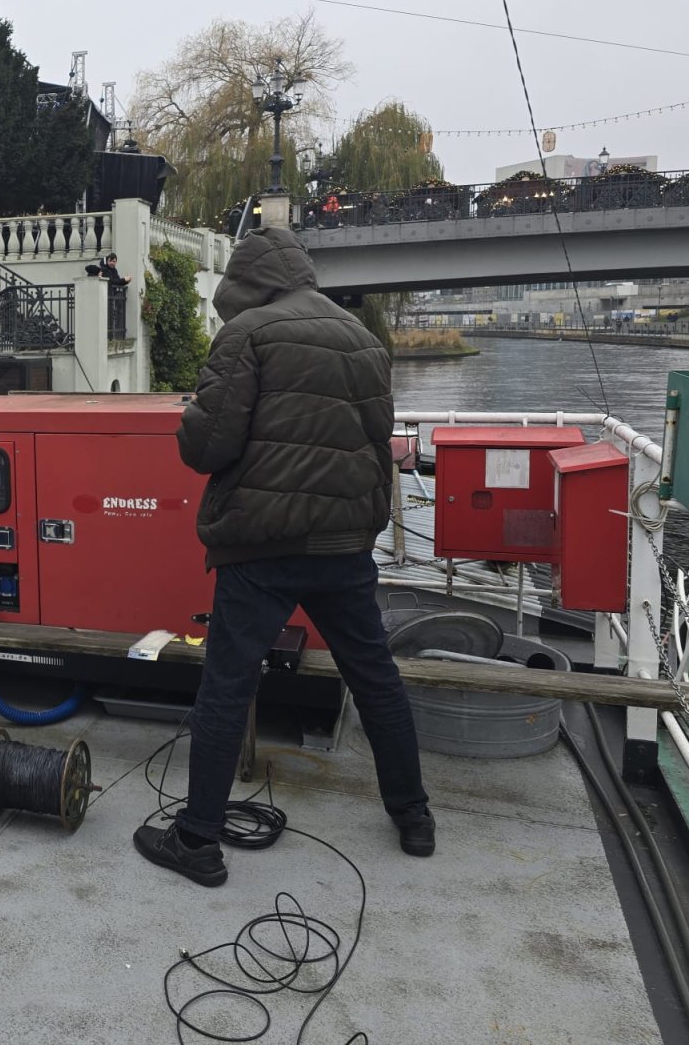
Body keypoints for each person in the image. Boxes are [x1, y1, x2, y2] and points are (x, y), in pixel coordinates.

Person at [133, 226, 433, 888]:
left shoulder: (248, 333)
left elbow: (207, 447)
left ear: (246, 281)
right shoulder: (362, 338)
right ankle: (414, 816)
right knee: (375, 677)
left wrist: (192, 413)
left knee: (228, 686)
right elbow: (376, 441)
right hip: (345, 544)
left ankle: (197, 840)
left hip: (261, 544)